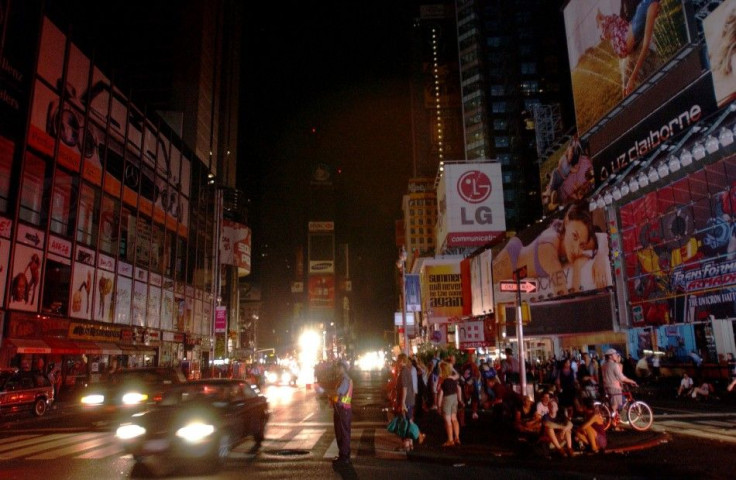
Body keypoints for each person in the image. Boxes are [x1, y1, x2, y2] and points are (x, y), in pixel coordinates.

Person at [493, 203, 607, 295]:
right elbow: (563, 296)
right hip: (510, 262)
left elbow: (602, 237)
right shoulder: (548, 248)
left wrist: (601, 258)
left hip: (521, 267)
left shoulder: (570, 231)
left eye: (581, 245)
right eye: (574, 237)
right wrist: (577, 271)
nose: (576, 248)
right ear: (566, 222)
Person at [601, 349, 638, 424]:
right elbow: (622, 378)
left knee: (612, 406)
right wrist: (631, 381)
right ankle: (613, 424)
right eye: (615, 354)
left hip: (606, 387)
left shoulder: (604, 365)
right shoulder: (615, 365)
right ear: (611, 356)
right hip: (614, 387)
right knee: (615, 406)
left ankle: (613, 421)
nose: (616, 356)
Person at [396, 353, 425, 451]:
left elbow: (404, 388)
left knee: (406, 422)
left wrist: (402, 402)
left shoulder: (404, 372)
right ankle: (410, 443)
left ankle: (410, 441)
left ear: (402, 361)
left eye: (398, 360)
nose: (397, 362)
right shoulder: (407, 371)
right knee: (409, 420)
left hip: (406, 400)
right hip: (410, 399)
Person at [536, 391, 574, 457]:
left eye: (554, 405)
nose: (553, 406)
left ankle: (569, 448)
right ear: (548, 407)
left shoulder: (560, 416)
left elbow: (570, 424)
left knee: (568, 430)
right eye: (551, 405)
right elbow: (547, 424)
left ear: (557, 408)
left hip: (559, 439)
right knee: (550, 429)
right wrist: (562, 428)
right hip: (548, 442)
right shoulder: (546, 416)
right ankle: (559, 449)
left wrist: (564, 429)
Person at [331, 360, 353, 466]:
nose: (337, 369)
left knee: (342, 433)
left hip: (342, 410)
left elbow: (338, 394)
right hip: (343, 409)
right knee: (343, 433)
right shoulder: (344, 379)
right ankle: (344, 455)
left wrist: (331, 396)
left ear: (343, 368)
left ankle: (344, 457)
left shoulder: (344, 380)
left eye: (338, 367)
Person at [436, 361, 462, 447]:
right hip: (454, 398)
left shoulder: (443, 380)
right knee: (454, 418)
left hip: (447, 399)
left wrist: (438, 406)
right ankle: (457, 437)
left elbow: (440, 394)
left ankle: (450, 440)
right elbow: (458, 375)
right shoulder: (453, 379)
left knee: (448, 421)